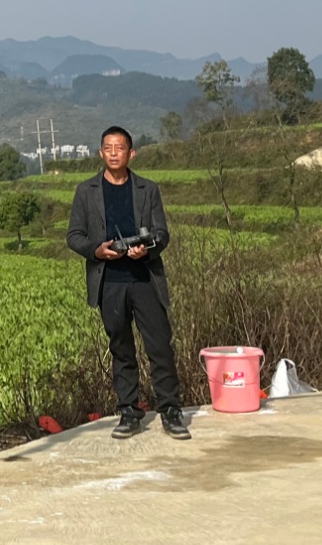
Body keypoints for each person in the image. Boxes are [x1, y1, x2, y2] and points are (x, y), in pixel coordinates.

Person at [65, 125, 188, 438]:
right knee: (121, 349)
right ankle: (129, 413)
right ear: (101, 152)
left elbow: (162, 234)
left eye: (120, 148)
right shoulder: (86, 191)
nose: (113, 153)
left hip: (145, 279)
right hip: (110, 283)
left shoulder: (148, 189)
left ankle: (170, 411)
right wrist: (97, 250)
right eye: (108, 147)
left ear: (131, 153)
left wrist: (145, 249)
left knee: (160, 346)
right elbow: (74, 236)